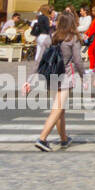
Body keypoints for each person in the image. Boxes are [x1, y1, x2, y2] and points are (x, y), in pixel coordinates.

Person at [29, 11, 86, 151]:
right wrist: (83, 76)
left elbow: (39, 59)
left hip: (51, 76)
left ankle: (64, 139)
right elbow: (78, 60)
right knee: (58, 108)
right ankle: (42, 138)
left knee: (60, 109)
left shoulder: (52, 37)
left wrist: (30, 78)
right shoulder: (72, 39)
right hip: (65, 76)